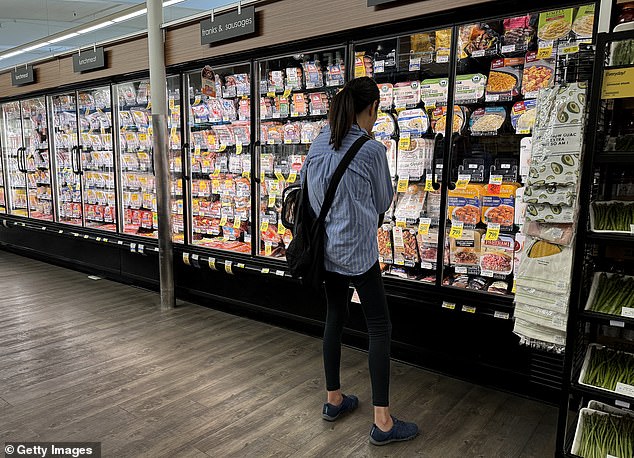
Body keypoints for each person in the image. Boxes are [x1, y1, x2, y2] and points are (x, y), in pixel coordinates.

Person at [299, 77, 419, 446]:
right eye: (376, 111)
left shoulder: (318, 141)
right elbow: (384, 201)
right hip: (359, 253)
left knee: (335, 316)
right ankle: (382, 422)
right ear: (370, 109)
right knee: (379, 327)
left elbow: (307, 189)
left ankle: (334, 399)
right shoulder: (371, 150)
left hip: (326, 251)